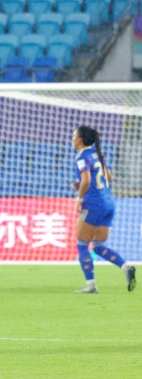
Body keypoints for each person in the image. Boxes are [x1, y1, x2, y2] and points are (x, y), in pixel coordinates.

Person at [71, 125, 136, 294]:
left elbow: (86, 180)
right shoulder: (96, 154)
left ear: (79, 140)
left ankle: (90, 285)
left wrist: (79, 198)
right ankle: (125, 266)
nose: (72, 139)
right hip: (108, 203)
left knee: (82, 245)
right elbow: (109, 176)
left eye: (73, 136)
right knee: (99, 246)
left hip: (94, 205)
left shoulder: (82, 156)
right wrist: (87, 186)